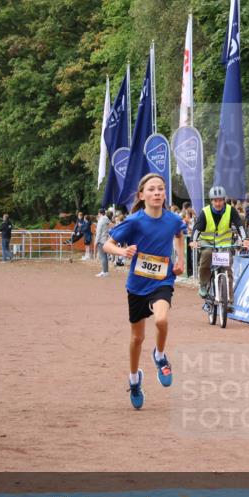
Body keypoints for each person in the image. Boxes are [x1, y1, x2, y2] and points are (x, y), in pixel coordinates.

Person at [103, 173, 186, 410]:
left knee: (161, 320)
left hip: (162, 280)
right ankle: (134, 379)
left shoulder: (172, 219)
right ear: (142, 195)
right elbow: (107, 244)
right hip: (137, 285)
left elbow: (179, 234)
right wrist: (123, 252)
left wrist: (180, 259)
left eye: (160, 189)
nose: (157, 193)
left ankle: (160, 356)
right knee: (137, 338)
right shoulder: (134, 221)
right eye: (151, 189)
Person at [192, 186, 245, 298]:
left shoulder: (231, 210)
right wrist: (193, 241)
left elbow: (239, 225)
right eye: (215, 201)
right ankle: (203, 285)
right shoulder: (205, 212)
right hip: (207, 243)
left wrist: (245, 239)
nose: (218, 203)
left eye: (220, 200)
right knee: (206, 254)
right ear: (211, 201)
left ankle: (229, 298)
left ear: (224, 200)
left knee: (228, 268)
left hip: (224, 244)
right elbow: (197, 229)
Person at [95, 209, 113, 277]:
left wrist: (96, 242)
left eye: (98, 213)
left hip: (101, 240)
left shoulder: (101, 221)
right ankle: (106, 271)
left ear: (99, 213)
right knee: (105, 256)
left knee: (103, 256)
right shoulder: (107, 219)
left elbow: (98, 232)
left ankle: (104, 271)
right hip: (106, 240)